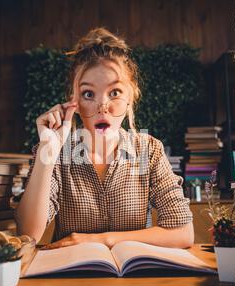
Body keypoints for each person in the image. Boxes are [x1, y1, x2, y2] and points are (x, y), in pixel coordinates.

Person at [16, 27, 194, 250]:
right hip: (70, 280)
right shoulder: (56, 154)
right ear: (74, 102)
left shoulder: (149, 150)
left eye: (115, 92)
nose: (103, 107)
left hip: (135, 280)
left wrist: (103, 239)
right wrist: (47, 152)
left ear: (131, 97)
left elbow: (183, 232)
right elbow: (27, 234)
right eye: (88, 94)